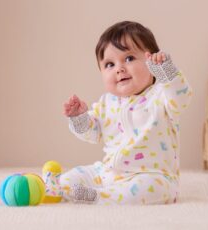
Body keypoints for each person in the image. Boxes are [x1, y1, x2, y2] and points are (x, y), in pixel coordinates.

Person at [61, 21, 192, 205]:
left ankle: (99, 197)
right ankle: (61, 186)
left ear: (152, 61)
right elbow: (92, 134)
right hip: (108, 172)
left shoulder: (161, 95)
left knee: (154, 189)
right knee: (69, 180)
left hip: (150, 175)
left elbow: (182, 97)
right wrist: (79, 117)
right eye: (109, 64)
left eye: (129, 58)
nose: (119, 69)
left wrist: (167, 72)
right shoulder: (107, 103)